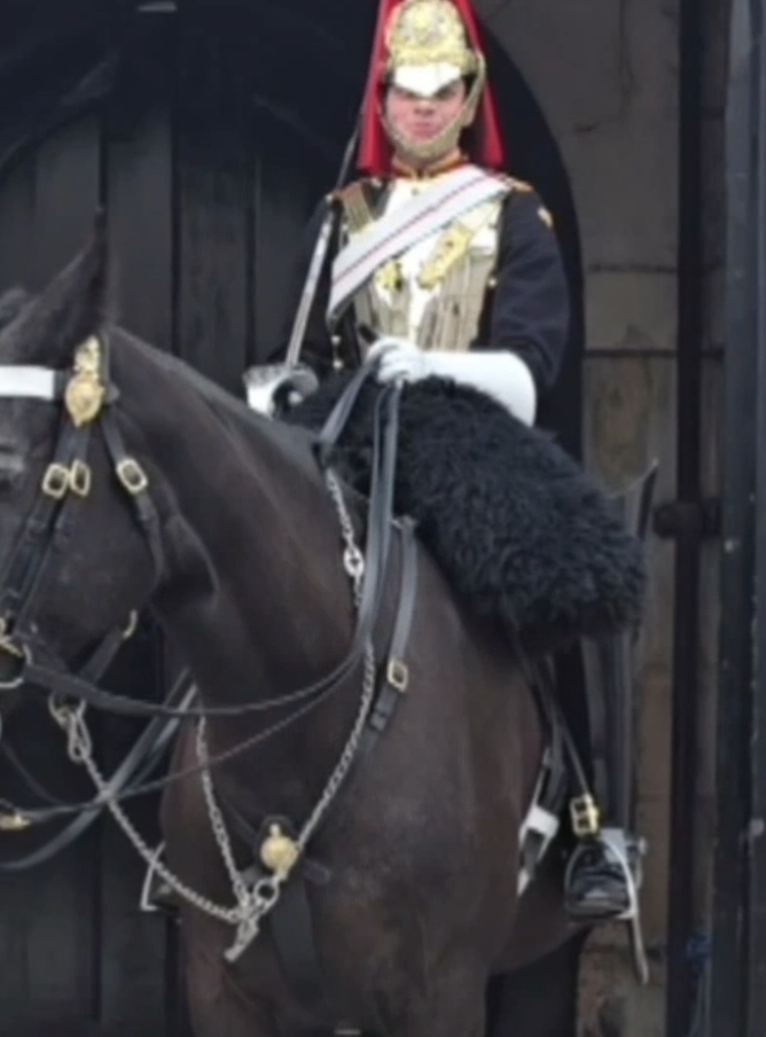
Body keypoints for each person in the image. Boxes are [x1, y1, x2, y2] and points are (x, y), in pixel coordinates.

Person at [244, 0, 640, 924]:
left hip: (470, 431)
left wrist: (431, 367)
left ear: (467, 99)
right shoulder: (339, 219)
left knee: (552, 573)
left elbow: (532, 370)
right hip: (349, 439)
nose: (421, 110)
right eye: (405, 94)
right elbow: (303, 347)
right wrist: (280, 392)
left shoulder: (512, 216)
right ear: (380, 101)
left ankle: (589, 826)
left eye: (441, 93)